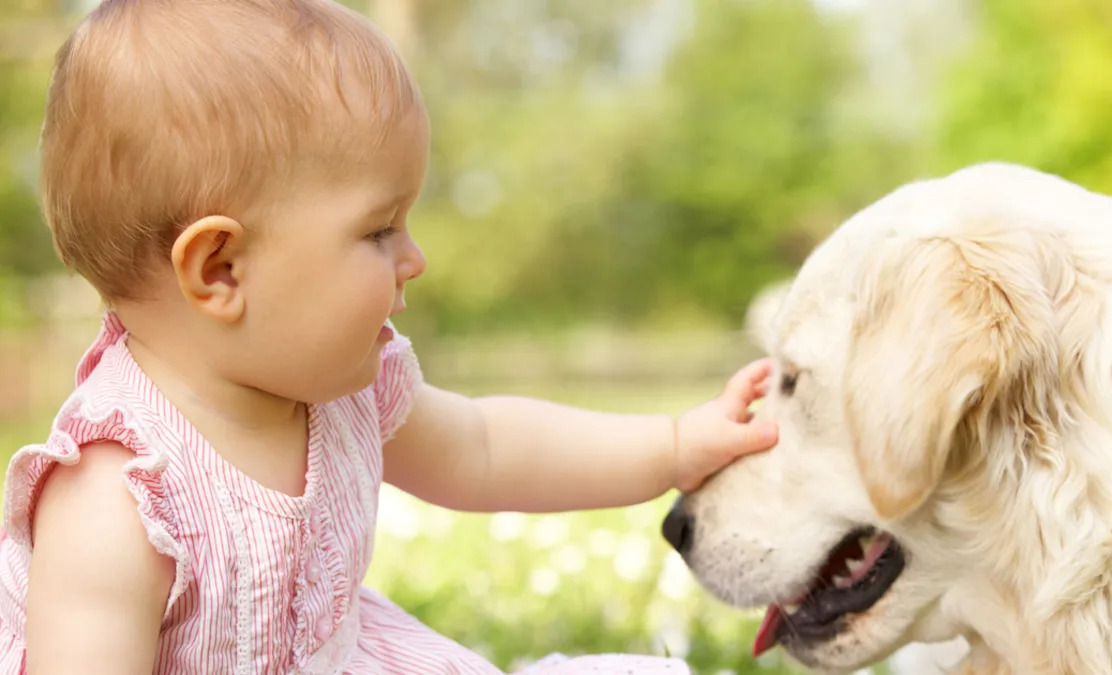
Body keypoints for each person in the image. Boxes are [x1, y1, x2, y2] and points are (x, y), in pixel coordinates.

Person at [0, 1, 779, 673]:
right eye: (379, 229)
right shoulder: (118, 496)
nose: (415, 258)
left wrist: (674, 444)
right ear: (221, 268)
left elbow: (485, 447)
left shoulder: (344, 389)